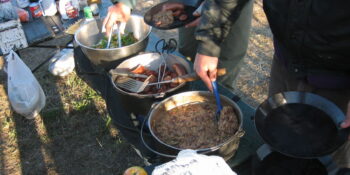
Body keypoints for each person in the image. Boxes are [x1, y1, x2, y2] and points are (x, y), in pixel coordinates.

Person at [263, 0, 350, 168]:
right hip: (286, 60)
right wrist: (211, 43)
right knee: (277, 138)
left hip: (337, 82)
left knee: (330, 161)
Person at [103, 0, 254, 92]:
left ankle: (217, 102)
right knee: (188, 51)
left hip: (231, 5)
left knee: (221, 65)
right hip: (189, 2)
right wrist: (125, 2)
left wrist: (210, 40)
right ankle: (184, 95)